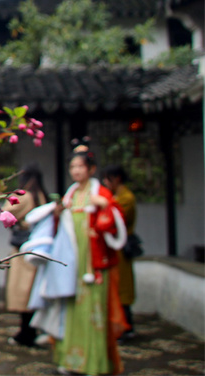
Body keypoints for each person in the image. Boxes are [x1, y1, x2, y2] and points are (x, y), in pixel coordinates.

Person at [45, 142, 128, 375]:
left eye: (80, 166)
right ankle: (70, 361)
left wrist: (106, 206)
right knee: (70, 311)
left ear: (91, 169)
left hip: (94, 265)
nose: (76, 171)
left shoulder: (100, 194)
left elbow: (115, 223)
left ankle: (95, 364)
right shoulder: (71, 195)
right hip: (73, 264)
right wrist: (59, 213)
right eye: (73, 166)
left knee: (94, 313)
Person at [2, 163, 49, 347]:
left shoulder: (25, 196)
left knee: (23, 292)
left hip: (23, 251)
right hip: (38, 249)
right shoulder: (42, 196)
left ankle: (26, 332)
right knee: (32, 291)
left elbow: (6, 210)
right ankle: (32, 330)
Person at [102, 164, 137, 341]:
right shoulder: (117, 196)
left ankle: (127, 326)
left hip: (121, 246)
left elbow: (115, 218)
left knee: (122, 288)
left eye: (107, 179)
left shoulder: (126, 198)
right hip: (114, 247)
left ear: (116, 179)